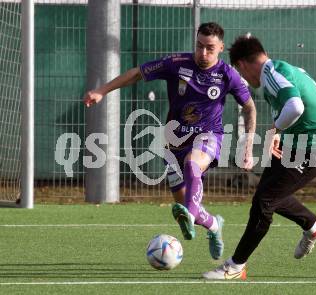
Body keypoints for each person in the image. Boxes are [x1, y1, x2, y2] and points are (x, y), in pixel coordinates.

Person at [83, 23, 256, 260]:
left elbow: (249, 107)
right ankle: (214, 225)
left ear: (221, 48)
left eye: (210, 48)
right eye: (199, 46)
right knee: (186, 206)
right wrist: (102, 90)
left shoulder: (228, 75)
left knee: (192, 166)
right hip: (174, 141)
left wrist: (248, 146)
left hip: (209, 136)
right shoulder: (176, 64)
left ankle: (191, 216)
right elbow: (136, 73)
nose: (203, 53)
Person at [203, 35, 316, 280]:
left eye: (239, 71)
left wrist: (275, 130)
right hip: (296, 142)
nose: (243, 78)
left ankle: (235, 267)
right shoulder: (283, 69)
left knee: (264, 201)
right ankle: (314, 226)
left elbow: (296, 106)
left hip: (315, 146)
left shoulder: (272, 74)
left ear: (242, 64)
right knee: (268, 194)